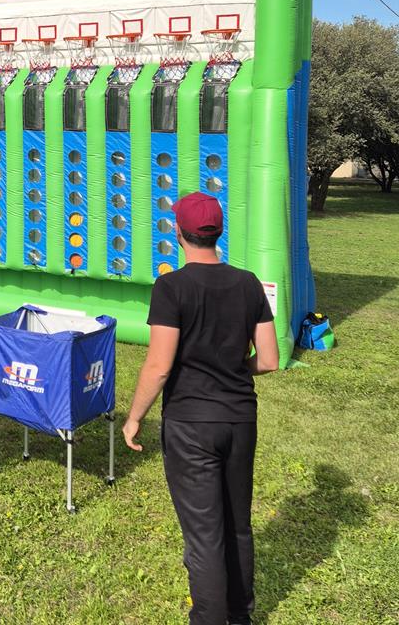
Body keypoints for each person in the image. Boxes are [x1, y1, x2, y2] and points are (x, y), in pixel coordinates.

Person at [123, 192, 280, 625]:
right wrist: (234, 365)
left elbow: (158, 366)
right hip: (240, 420)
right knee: (237, 524)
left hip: (191, 424)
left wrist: (134, 417)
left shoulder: (171, 287)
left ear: (178, 232)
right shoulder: (248, 282)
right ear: (219, 232)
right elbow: (268, 359)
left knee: (204, 534)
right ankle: (239, 615)